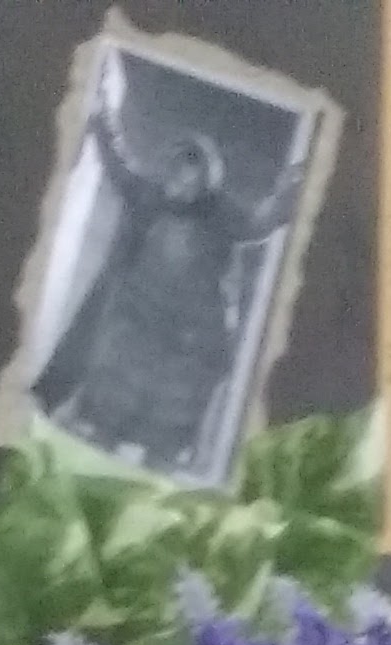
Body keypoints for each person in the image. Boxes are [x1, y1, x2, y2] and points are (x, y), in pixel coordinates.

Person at [32, 65, 297, 478]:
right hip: (139, 323)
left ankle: (154, 476)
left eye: (192, 180)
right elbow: (117, 163)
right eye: (177, 176)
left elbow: (260, 223)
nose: (182, 186)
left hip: (189, 337)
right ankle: (92, 461)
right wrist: (102, 115)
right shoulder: (148, 195)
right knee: (109, 410)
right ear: (169, 171)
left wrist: (290, 192)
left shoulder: (222, 215)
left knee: (166, 427)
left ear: (206, 181)